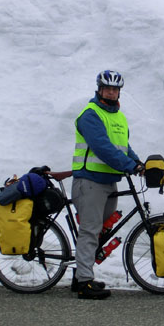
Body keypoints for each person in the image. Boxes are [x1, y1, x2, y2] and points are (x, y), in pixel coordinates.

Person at [67, 70, 143, 299]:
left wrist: (138, 162)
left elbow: (122, 146)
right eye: (107, 88)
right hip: (89, 181)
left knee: (100, 231)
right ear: (99, 89)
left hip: (108, 182)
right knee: (90, 230)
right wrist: (129, 166)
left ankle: (79, 275)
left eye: (115, 89)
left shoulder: (118, 116)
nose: (111, 92)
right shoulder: (91, 114)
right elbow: (102, 148)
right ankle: (84, 284)